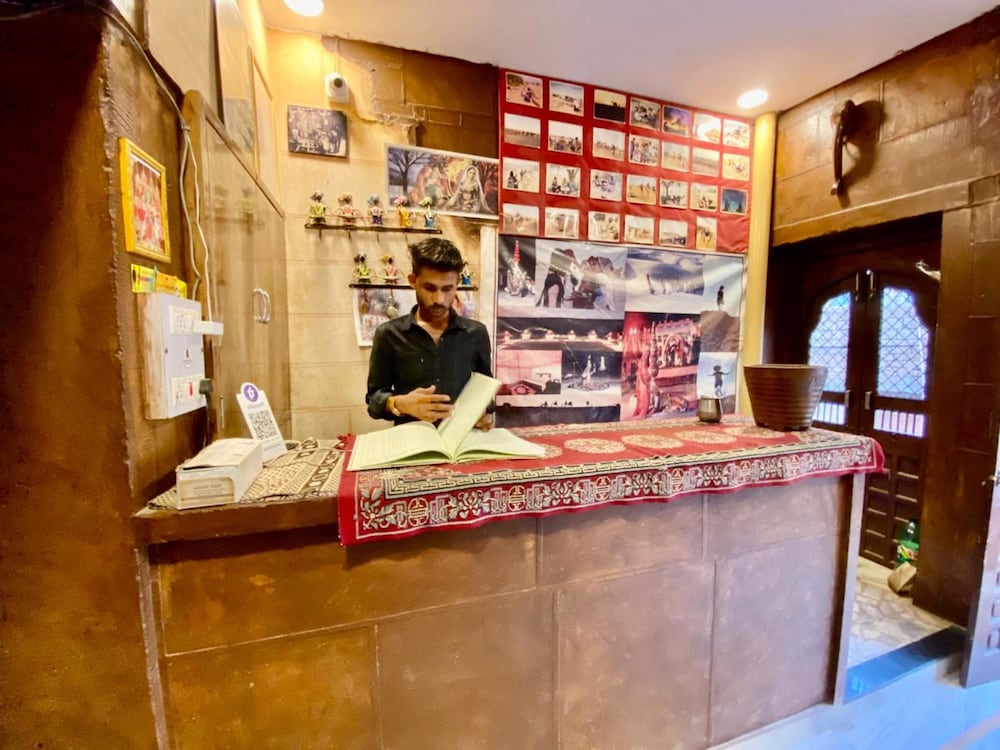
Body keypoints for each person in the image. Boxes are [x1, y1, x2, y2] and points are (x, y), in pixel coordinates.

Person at [366, 238, 493, 428]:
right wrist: (400, 403)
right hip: (412, 439)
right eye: (429, 288)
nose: (439, 299)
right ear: (413, 281)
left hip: (462, 439)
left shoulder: (476, 333)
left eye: (447, 289)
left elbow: (486, 392)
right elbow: (373, 399)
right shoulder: (389, 334)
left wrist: (482, 411)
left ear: (458, 283)